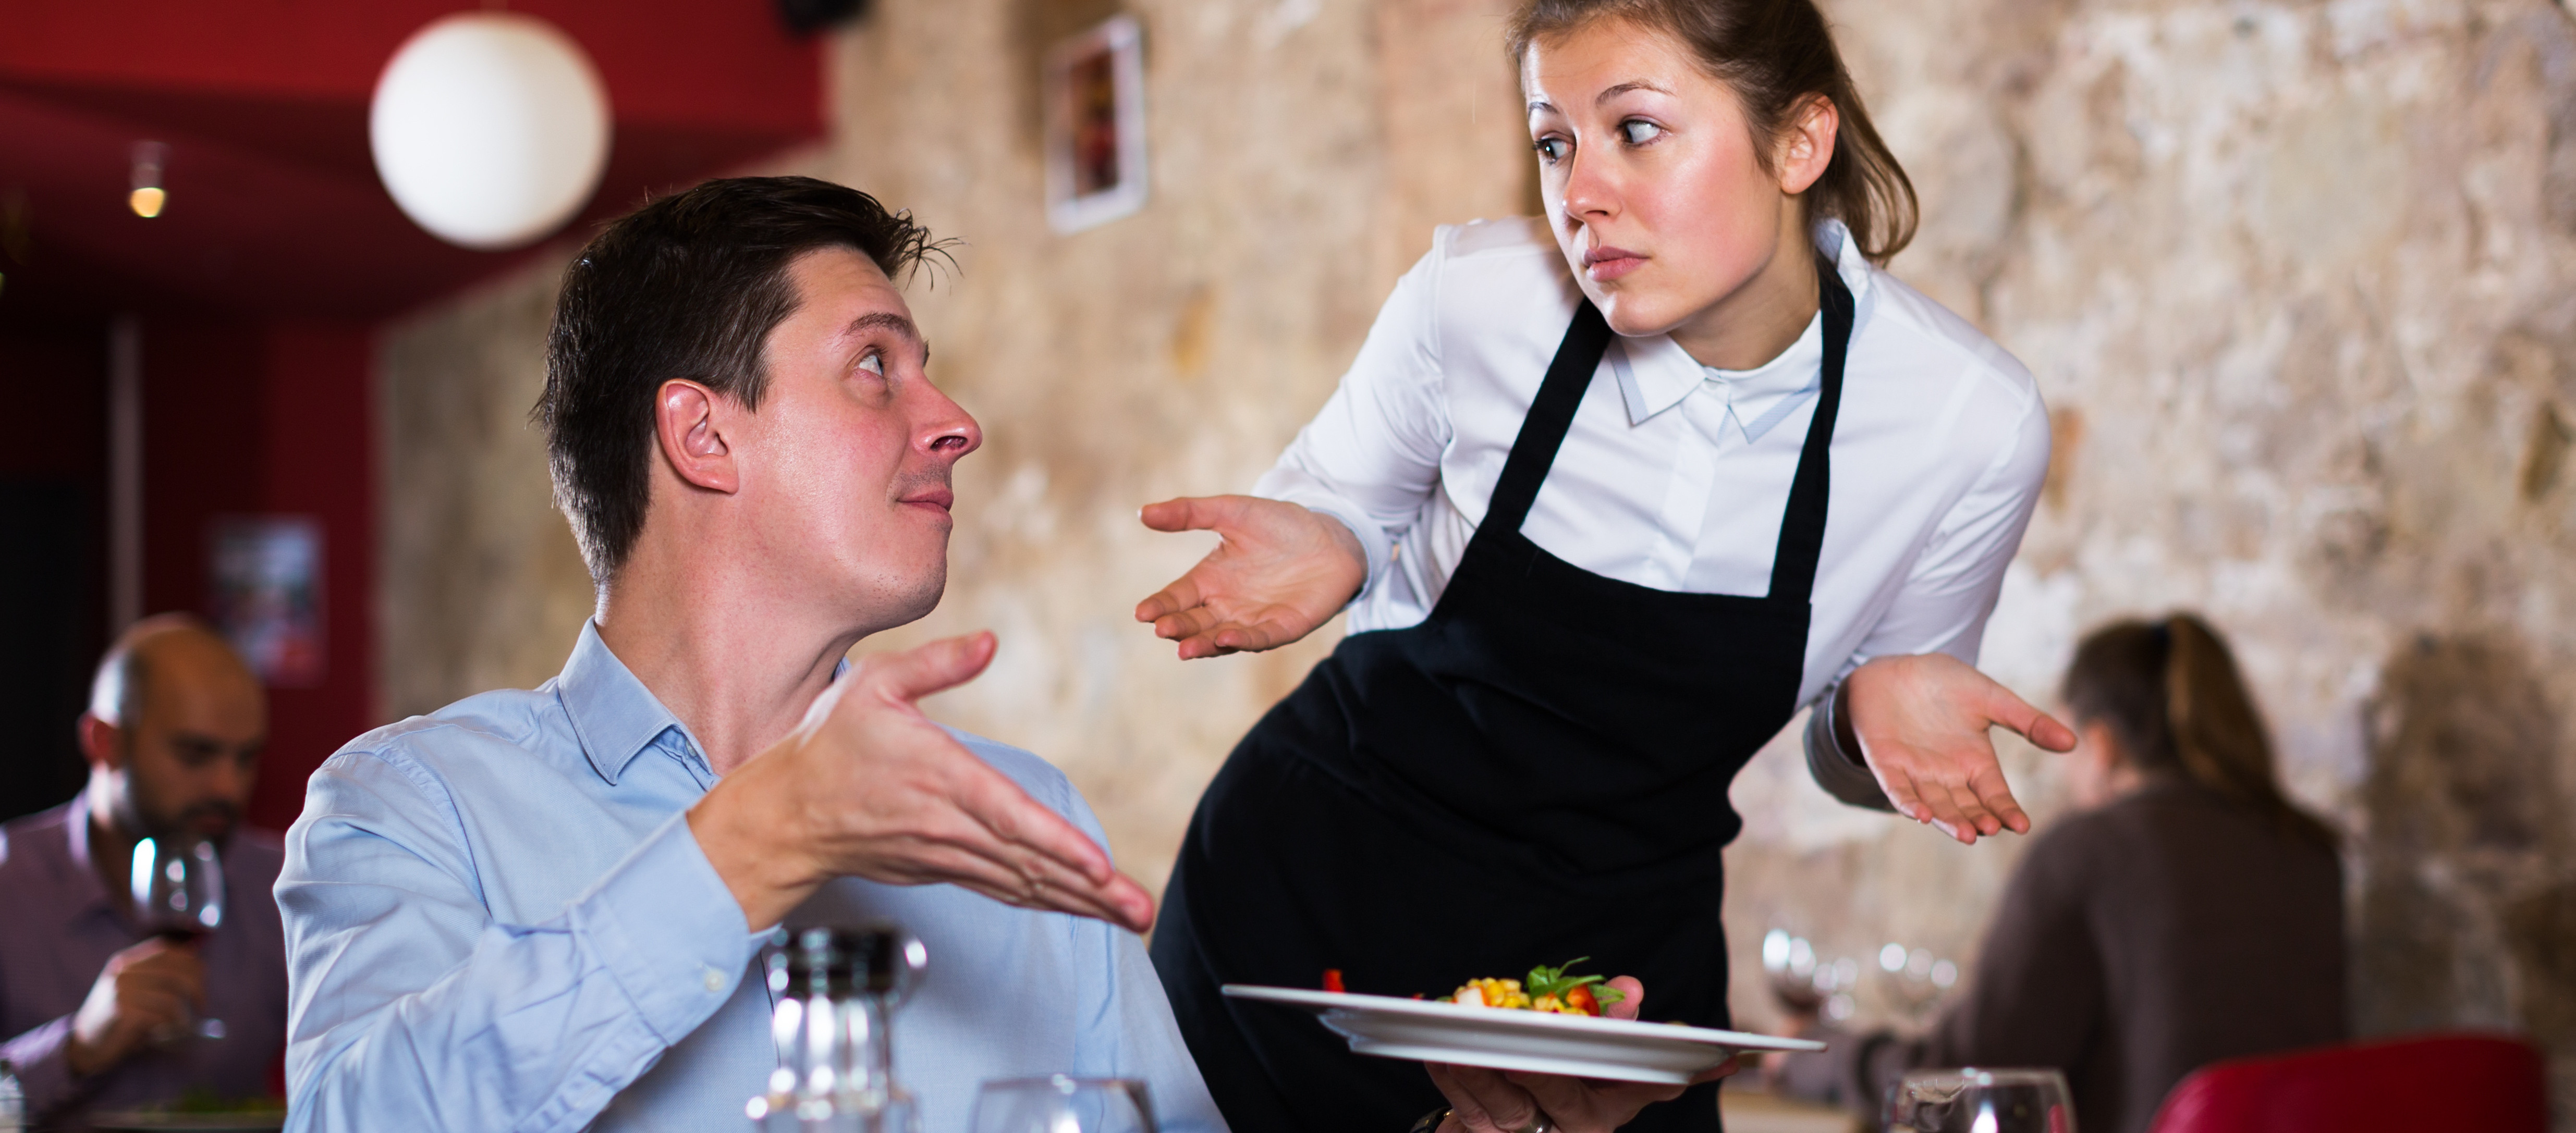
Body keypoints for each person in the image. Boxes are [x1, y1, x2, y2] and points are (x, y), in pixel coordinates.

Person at [1132, 1, 2081, 1130]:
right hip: (1311, 928)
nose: (1579, 192)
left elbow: (1857, 760)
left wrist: (1865, 713)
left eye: (1634, 129)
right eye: (1553, 140)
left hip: (1610, 995)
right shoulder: (1471, 302)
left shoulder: (1963, 424)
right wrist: (1334, 535)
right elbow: (1334, 501)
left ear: (1799, 142)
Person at [274, 177, 1222, 1132]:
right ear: (704, 434)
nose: (957, 423)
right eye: (873, 365)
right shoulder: (416, 804)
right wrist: (753, 844)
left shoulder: (1025, 815)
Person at [1771, 614, 2347, 1133]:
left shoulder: (2092, 850)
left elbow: (1963, 1084)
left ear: (2099, 746)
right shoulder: (2310, 854)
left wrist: (1813, 1052)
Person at [0, 615, 287, 1126]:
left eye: (246, 759)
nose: (227, 786)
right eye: (195, 753)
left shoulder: (282, 884)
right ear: (104, 742)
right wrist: (77, 1047)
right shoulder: (11, 883)